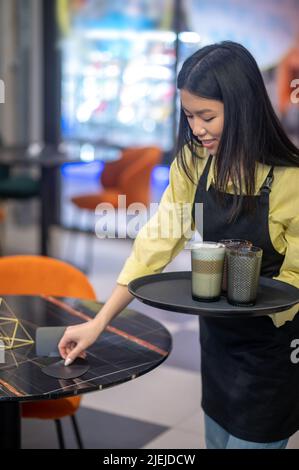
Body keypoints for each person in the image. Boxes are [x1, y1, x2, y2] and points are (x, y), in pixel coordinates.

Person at [59, 41, 299, 449]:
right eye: (189, 116)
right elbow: (157, 240)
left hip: (272, 349)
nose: (197, 129)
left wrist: (247, 301)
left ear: (243, 109)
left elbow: (295, 279)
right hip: (218, 341)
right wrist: (99, 322)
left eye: (207, 116)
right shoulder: (193, 161)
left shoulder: (289, 178)